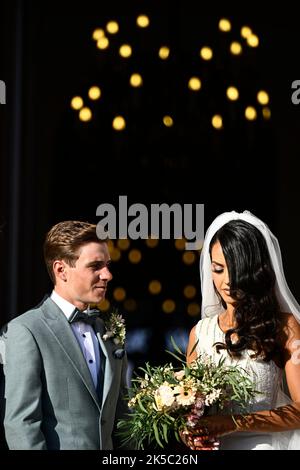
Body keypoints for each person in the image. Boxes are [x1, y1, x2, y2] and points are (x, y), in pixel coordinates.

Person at [1, 220, 128, 450]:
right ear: (61, 270)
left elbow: (122, 420)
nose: (107, 274)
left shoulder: (109, 332)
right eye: (95, 266)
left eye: (107, 265)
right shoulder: (26, 331)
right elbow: (22, 425)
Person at [183, 211, 300, 450]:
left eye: (236, 269)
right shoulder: (200, 334)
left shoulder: (284, 327)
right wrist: (191, 436)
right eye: (218, 269)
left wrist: (236, 422)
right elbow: (189, 414)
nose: (227, 281)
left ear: (254, 270)